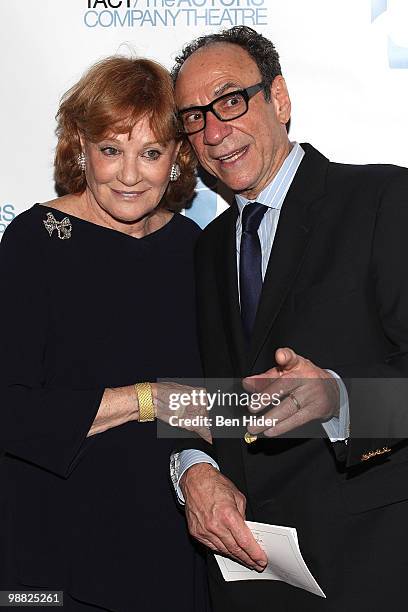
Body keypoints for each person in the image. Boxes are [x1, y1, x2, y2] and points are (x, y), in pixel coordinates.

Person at [170, 26, 408, 611]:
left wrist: (337, 397)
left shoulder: (383, 198)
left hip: (370, 570)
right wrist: (193, 465)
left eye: (230, 100)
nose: (214, 131)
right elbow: (195, 393)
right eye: (194, 117)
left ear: (278, 99)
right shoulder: (205, 248)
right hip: (245, 576)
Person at [0, 56, 211, 611]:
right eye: (111, 150)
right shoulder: (36, 241)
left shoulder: (194, 247)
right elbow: (10, 410)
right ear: (81, 147)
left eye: (151, 153)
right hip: (51, 551)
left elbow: (205, 400)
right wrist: (149, 400)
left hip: (170, 546)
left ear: (178, 156)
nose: (129, 175)